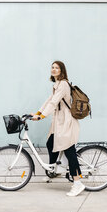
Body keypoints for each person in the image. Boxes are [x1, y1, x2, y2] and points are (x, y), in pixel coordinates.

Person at [31, 61, 85, 197]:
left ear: (62, 71)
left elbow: (54, 103)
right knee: (50, 143)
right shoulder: (57, 85)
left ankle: (78, 183)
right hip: (59, 122)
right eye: (52, 67)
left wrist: (41, 116)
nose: (54, 70)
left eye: (57, 68)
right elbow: (49, 101)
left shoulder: (64, 84)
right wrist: (37, 113)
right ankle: (54, 171)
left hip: (66, 122)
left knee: (69, 151)